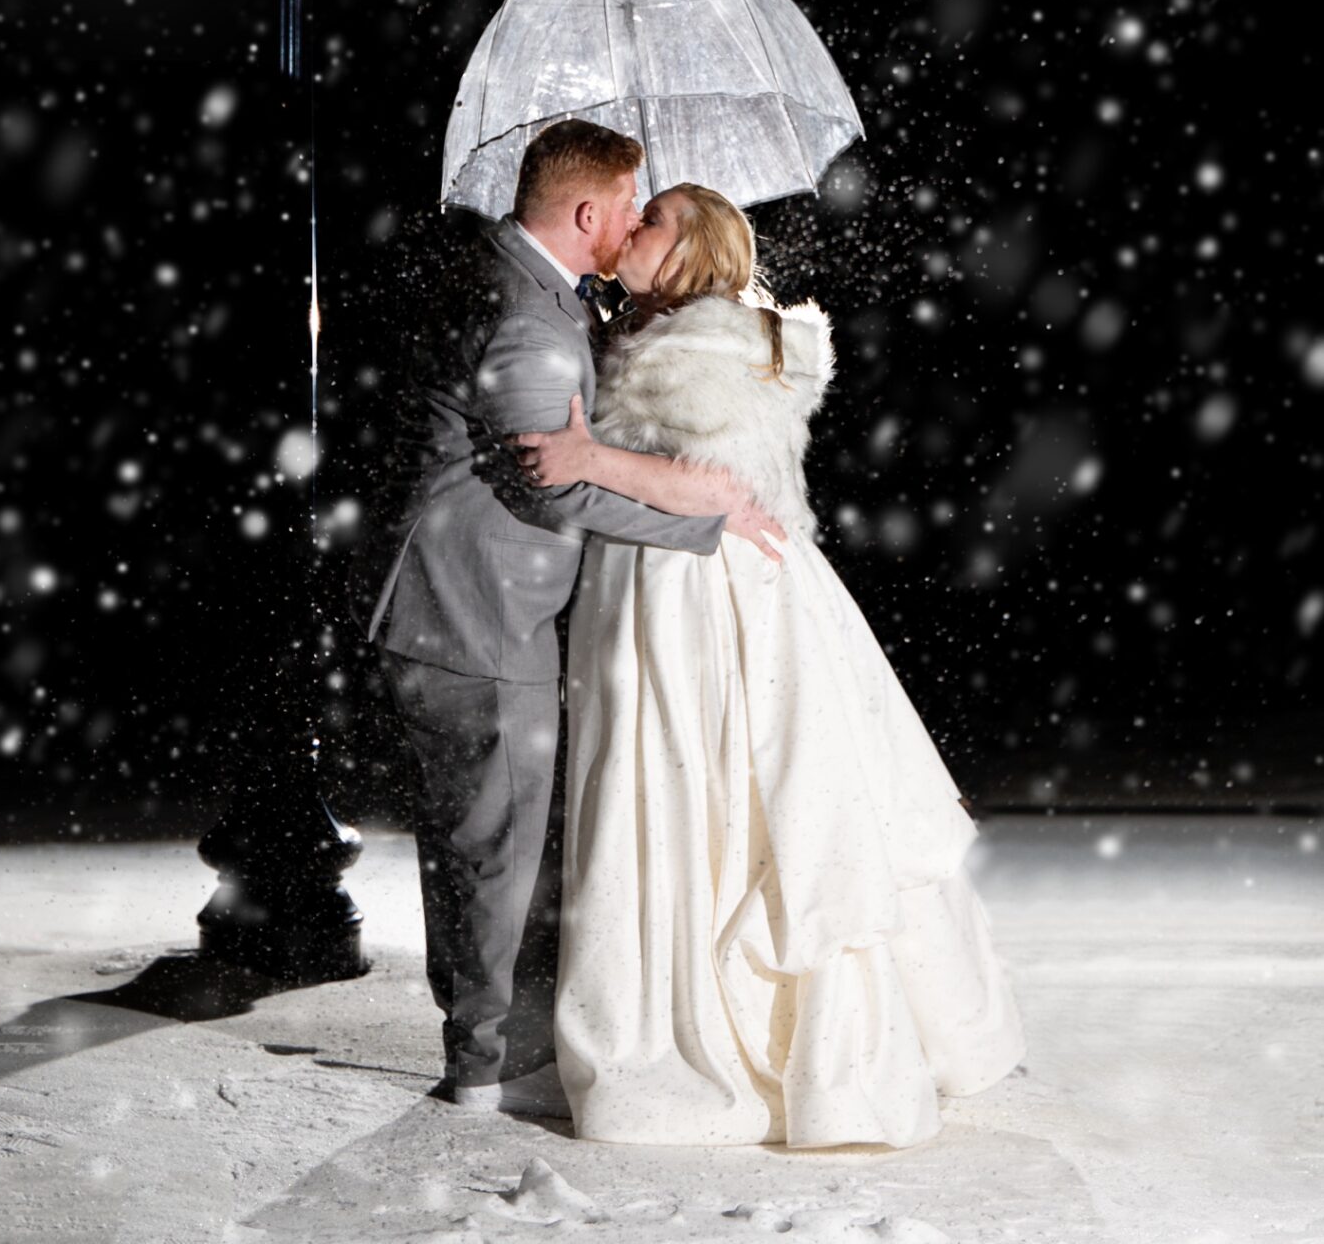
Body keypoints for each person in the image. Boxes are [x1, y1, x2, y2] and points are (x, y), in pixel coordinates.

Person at [513, 181, 1027, 1149]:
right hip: (686, 583)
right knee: (718, 798)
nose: (634, 229)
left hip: (704, 597)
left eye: (653, 219)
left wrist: (587, 457)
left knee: (732, 797)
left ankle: (756, 1041)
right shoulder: (677, 330)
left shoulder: (707, 342)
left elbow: (714, 486)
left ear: (695, 246)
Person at [360, 122, 787, 1118]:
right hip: (479, 618)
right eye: (632, 207)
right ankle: (490, 1064)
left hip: (461, 612)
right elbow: (549, 489)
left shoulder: (529, 291)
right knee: (495, 853)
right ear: (589, 213)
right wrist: (706, 518)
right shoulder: (530, 318)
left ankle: (492, 1041)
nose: (637, 223)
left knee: (484, 845)